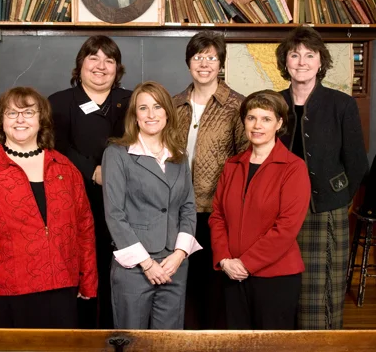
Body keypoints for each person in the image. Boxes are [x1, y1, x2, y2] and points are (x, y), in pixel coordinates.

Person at [0, 87, 98, 328]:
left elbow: (84, 230)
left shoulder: (65, 168)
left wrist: (88, 283)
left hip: (62, 290)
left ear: (41, 120)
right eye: (12, 113)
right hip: (5, 295)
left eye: (29, 112)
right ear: (1, 121)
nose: (20, 119)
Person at [275, 26, 369, 330]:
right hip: (278, 212)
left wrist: (337, 200)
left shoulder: (341, 104)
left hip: (325, 212)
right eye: (294, 54)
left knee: (322, 292)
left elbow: (356, 164)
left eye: (309, 55)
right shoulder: (273, 103)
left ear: (320, 62)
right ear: (285, 62)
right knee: (282, 286)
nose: (301, 61)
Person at [208, 90, 311, 330]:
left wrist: (245, 264)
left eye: (266, 119)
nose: (257, 125)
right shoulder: (232, 166)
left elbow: (286, 228)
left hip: (276, 278)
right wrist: (224, 260)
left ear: (279, 123)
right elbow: (217, 217)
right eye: (251, 117)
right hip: (231, 275)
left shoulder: (293, 168)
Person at [48, 35, 131, 329]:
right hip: (77, 201)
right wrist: (93, 170)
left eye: (109, 60)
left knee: (119, 273)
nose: (101, 66)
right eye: (93, 58)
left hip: (125, 204)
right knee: (82, 271)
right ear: (80, 64)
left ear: (117, 68)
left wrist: (109, 168)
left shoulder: (132, 101)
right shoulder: (58, 103)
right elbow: (56, 147)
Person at [102, 81, 199, 329]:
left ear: (167, 111)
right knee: (132, 341)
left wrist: (179, 255)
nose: (151, 114)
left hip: (173, 265)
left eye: (157, 107)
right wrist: (146, 264)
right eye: (143, 108)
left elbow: (187, 208)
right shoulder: (117, 154)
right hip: (135, 266)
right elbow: (115, 214)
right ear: (135, 116)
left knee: (169, 343)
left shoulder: (179, 155)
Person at [173, 31, 247, 329]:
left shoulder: (237, 105)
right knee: (183, 283)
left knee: (214, 285)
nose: (204, 64)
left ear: (221, 64)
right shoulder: (174, 103)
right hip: (178, 209)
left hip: (216, 210)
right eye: (198, 57)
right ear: (189, 62)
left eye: (211, 57)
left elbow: (245, 157)